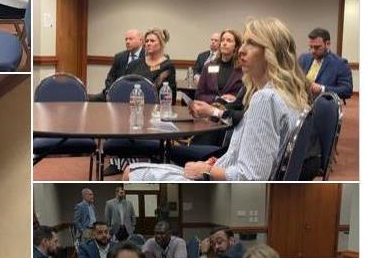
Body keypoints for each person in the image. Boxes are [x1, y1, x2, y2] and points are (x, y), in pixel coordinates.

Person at [126, 17, 309, 180]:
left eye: (251, 43)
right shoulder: (291, 96)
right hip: (222, 171)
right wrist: (218, 162)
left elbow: (250, 177)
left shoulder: (265, 98)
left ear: (271, 52)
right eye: (243, 43)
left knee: (131, 172)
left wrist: (206, 170)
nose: (241, 51)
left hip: (220, 183)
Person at [298, 27, 353, 100]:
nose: (312, 51)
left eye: (317, 47)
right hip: (300, 104)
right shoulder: (303, 58)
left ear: (327, 44)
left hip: (323, 107)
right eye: (311, 47)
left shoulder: (340, 64)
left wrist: (322, 89)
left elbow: (347, 90)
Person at [91, 29, 145, 102]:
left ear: (141, 40)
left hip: (136, 95)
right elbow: (110, 77)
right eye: (126, 39)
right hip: (115, 92)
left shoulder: (147, 56)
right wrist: (109, 91)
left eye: (131, 39)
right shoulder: (119, 56)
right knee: (89, 100)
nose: (127, 42)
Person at [195, 28, 244, 104]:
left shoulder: (242, 69)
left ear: (236, 46)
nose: (224, 43)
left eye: (229, 40)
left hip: (232, 112)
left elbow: (248, 97)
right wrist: (216, 98)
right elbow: (198, 95)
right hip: (210, 111)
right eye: (223, 40)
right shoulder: (208, 66)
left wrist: (236, 99)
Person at [134, 28, 177, 96]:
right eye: (147, 41)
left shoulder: (167, 66)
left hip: (158, 103)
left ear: (161, 44)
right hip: (137, 101)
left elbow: (171, 93)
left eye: (152, 41)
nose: (148, 43)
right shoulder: (136, 63)